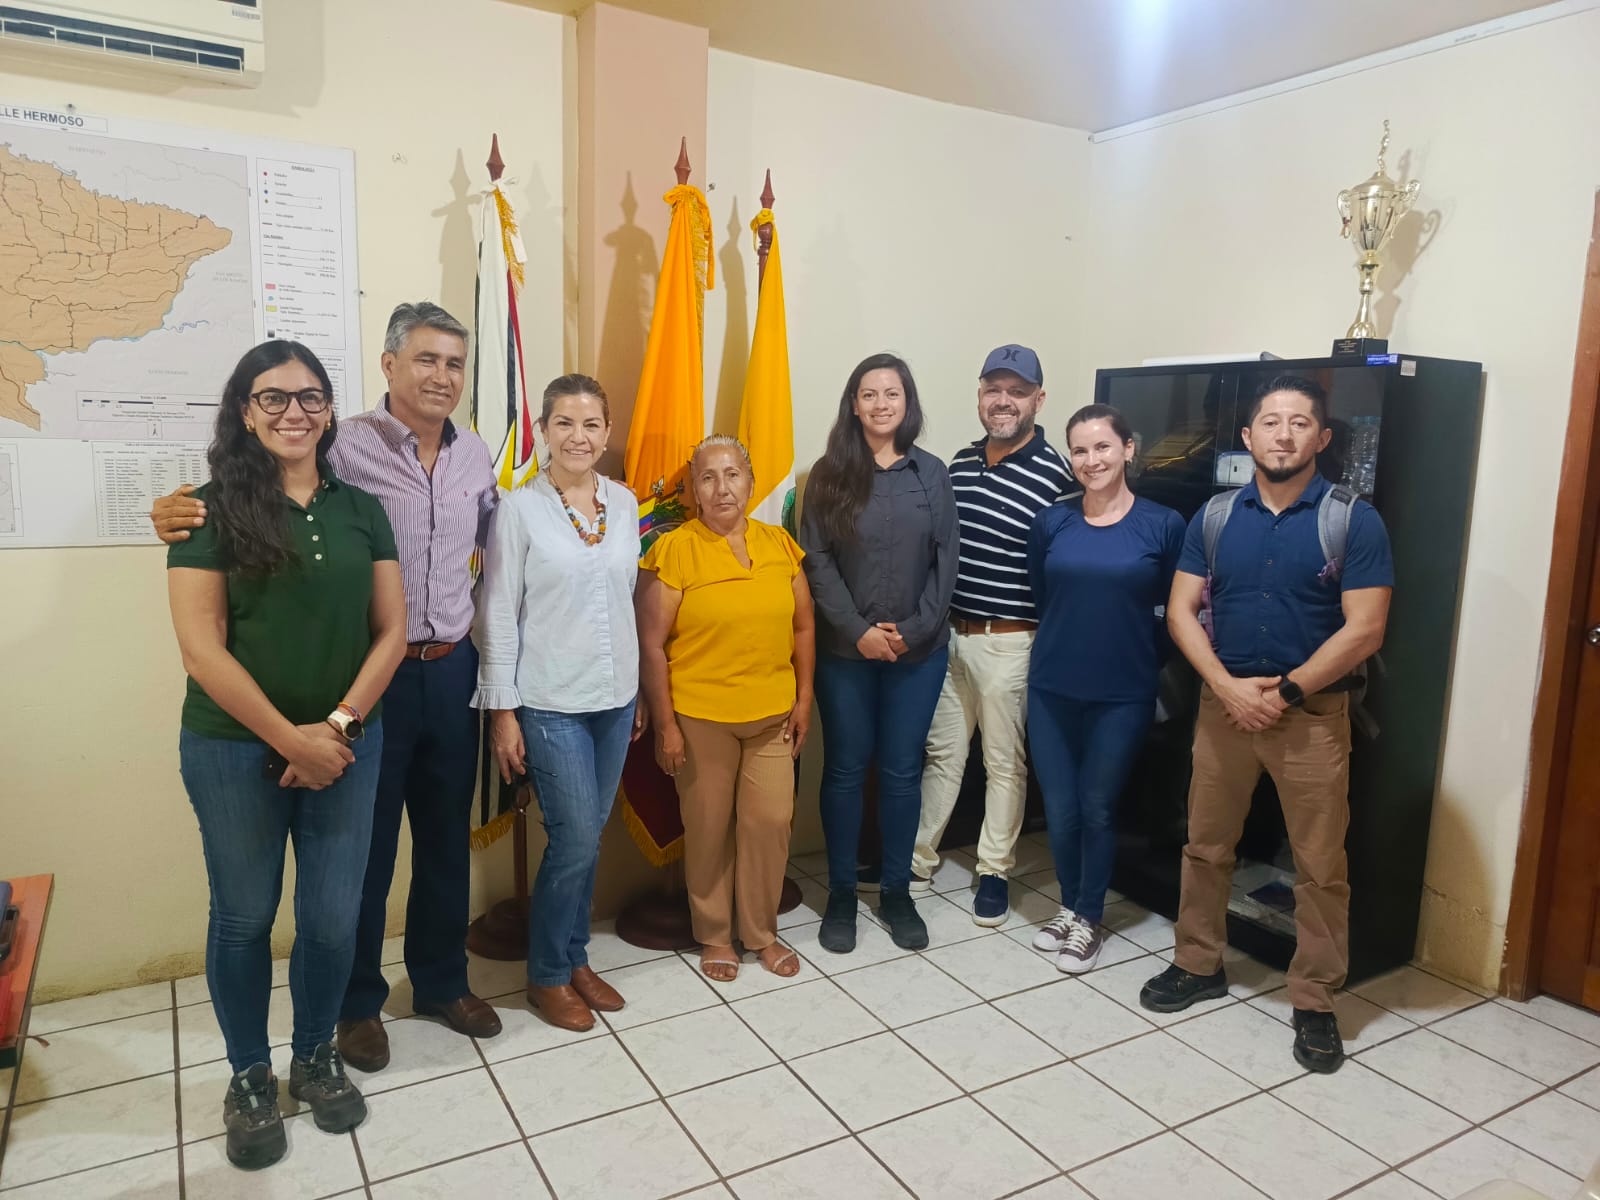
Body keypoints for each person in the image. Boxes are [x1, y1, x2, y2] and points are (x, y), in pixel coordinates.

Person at [151, 303, 505, 1072]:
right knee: (363, 854)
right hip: (369, 680)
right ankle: (356, 1006)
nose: (442, 375)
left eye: (454, 362)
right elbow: (256, 476)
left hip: (449, 667)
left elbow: (498, 550)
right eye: (426, 359)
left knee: (445, 838)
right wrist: (173, 507)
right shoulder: (343, 444)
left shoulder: (478, 454)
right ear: (389, 365)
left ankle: (442, 981)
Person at [167, 340, 407, 1169]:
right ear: (245, 412)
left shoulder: (362, 509)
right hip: (233, 750)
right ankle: (247, 1076)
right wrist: (289, 738)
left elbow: (393, 630)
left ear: (330, 410)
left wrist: (335, 729)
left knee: (334, 919)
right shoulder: (205, 511)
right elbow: (202, 649)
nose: (293, 412)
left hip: (347, 748)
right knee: (243, 917)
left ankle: (313, 1056)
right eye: (273, 397)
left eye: (310, 397)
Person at [1139, 375, 1392, 1074]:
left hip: (1311, 717)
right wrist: (1225, 687)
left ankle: (1314, 999)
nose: (1284, 434)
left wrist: (1284, 691)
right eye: (1271, 422)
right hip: (1224, 710)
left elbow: (1366, 628)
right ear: (1248, 437)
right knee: (1205, 846)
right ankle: (1198, 962)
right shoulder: (1216, 516)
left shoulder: (1352, 520)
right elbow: (1182, 610)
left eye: (1299, 423)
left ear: (1322, 437)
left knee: (1320, 866)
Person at [475, 374, 643, 1032]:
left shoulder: (623, 503)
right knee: (573, 839)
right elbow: (497, 612)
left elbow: (626, 600)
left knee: (588, 838)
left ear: (607, 432)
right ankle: (546, 974)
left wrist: (638, 693)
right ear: (543, 430)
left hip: (615, 698)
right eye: (565, 423)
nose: (579, 436)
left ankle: (574, 957)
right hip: (550, 701)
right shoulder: (518, 509)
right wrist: (503, 712)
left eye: (591, 424)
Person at [636, 435, 816, 982]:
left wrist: (804, 697)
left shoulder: (780, 544)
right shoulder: (674, 549)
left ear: (751, 482)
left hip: (772, 715)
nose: (721, 488)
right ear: (693, 489)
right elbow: (650, 644)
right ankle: (715, 935)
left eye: (732, 474)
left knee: (770, 823)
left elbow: (803, 625)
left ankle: (761, 933)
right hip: (701, 719)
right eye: (708, 477)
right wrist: (665, 725)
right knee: (709, 829)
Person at [910, 344, 1074, 926]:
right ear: (980, 395)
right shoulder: (959, 464)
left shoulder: (1059, 474)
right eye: (993, 389)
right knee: (942, 755)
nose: (1003, 401)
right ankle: (917, 860)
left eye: (1017, 391)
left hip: (1011, 641)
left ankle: (994, 871)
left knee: (1003, 762)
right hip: (950, 638)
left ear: (1038, 400)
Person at [800, 353, 959, 954]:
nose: (881, 403)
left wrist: (913, 630)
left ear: (907, 402)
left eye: (892, 393)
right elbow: (816, 559)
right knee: (844, 769)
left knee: (900, 770)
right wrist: (858, 630)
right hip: (846, 653)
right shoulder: (829, 474)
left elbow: (947, 560)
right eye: (869, 394)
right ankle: (842, 893)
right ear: (854, 404)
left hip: (919, 654)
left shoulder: (932, 473)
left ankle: (896, 892)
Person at [1025, 404, 1185, 971]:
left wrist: (1139, 659)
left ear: (1128, 449)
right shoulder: (1052, 522)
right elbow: (1045, 598)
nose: (1091, 460)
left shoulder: (1163, 525)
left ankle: (1089, 916)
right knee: (1061, 809)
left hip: (1122, 694)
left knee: (1097, 807)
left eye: (1102, 447)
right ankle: (1070, 906)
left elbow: (1178, 612)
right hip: (1051, 689)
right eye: (1080, 450)